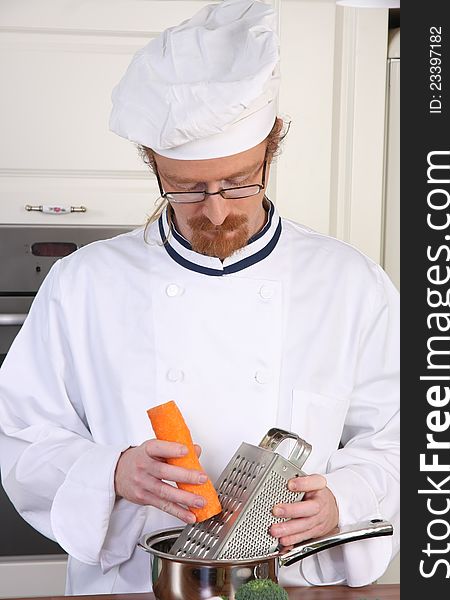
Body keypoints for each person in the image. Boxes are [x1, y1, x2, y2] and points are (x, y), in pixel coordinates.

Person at [0, 0, 399, 594]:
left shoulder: (349, 282)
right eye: (185, 189)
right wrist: (110, 471)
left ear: (274, 145)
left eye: (238, 182)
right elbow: (21, 435)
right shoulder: (82, 283)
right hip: (138, 581)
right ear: (151, 165)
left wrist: (345, 497)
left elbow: (404, 433)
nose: (214, 210)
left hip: (292, 580)